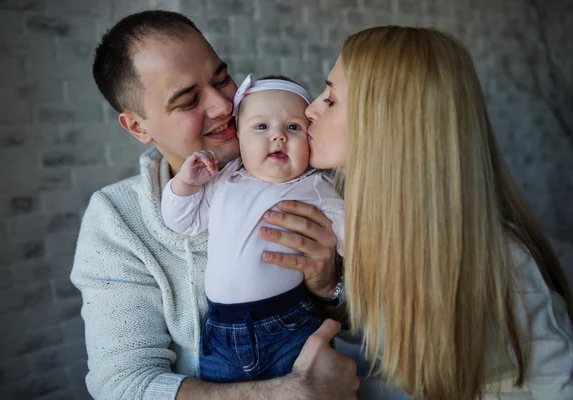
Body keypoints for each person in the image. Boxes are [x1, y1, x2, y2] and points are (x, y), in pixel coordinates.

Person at [70, 10, 358, 400]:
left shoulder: (310, 177)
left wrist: (330, 287)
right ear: (138, 127)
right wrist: (289, 394)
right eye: (188, 101)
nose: (223, 106)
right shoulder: (117, 219)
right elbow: (123, 384)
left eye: (222, 79)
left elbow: (378, 327)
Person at [305, 25, 573, 400]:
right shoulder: (369, 228)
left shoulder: (503, 263)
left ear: (387, 123)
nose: (309, 108)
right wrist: (329, 288)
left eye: (330, 99)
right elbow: (388, 346)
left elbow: (559, 384)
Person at [162, 73, 345, 382]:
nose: (278, 136)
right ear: (239, 139)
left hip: (290, 323)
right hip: (221, 333)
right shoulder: (224, 181)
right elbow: (183, 221)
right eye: (261, 126)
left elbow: (360, 242)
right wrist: (185, 184)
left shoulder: (315, 186)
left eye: (293, 127)